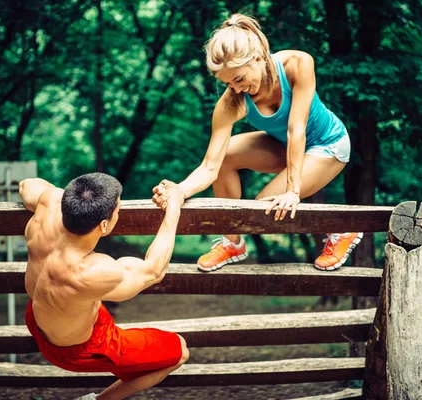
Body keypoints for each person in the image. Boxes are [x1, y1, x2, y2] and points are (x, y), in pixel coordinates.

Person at [152, 13, 362, 272]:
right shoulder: (231, 102)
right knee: (226, 154)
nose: (237, 89)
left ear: (259, 58)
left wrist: (292, 191)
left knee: (267, 206)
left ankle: (342, 231)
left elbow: (297, 129)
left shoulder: (297, 64)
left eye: (239, 79)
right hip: (282, 145)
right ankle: (232, 242)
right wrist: (180, 190)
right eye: (228, 83)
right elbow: (210, 166)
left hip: (328, 144)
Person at [19, 173, 189, 400]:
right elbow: (153, 271)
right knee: (179, 350)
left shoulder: (50, 202)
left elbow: (26, 185)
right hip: (73, 349)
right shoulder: (91, 272)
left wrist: (72, 200)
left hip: (38, 316)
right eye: (118, 209)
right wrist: (174, 206)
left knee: (88, 306)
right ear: (104, 225)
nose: (119, 212)